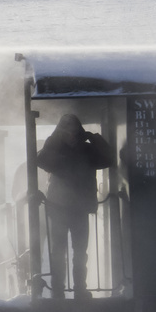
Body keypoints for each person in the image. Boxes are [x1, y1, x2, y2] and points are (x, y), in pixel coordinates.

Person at [36, 113, 113, 299]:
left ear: (79, 132)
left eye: (73, 130)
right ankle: (58, 290)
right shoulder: (56, 150)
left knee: (79, 252)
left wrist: (93, 138)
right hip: (60, 207)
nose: (70, 134)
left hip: (76, 207)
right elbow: (40, 159)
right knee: (59, 252)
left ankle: (79, 289)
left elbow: (109, 158)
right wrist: (55, 139)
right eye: (66, 130)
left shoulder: (86, 151)